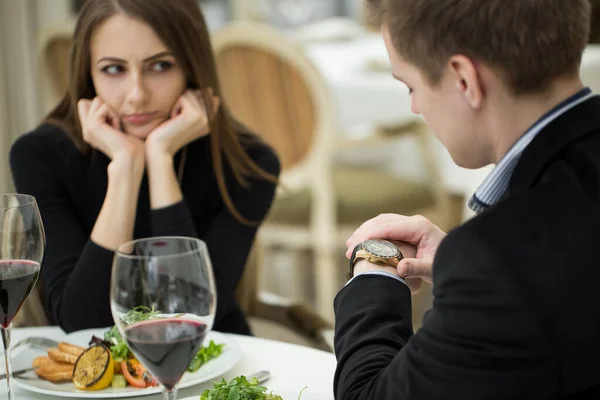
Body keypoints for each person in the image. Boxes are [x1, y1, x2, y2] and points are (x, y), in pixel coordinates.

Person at [334, 0, 600, 398]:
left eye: (411, 86)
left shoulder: (497, 261)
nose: (414, 106)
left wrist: (374, 268)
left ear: (463, 79)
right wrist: (462, 267)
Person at [9, 0, 280, 335]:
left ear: (192, 67)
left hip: (215, 372)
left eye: (160, 66)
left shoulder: (250, 164)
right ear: (88, 73)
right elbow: (83, 323)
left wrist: (160, 158)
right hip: (90, 380)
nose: (137, 95)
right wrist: (125, 167)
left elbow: (189, 315)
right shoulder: (40, 155)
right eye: (113, 69)